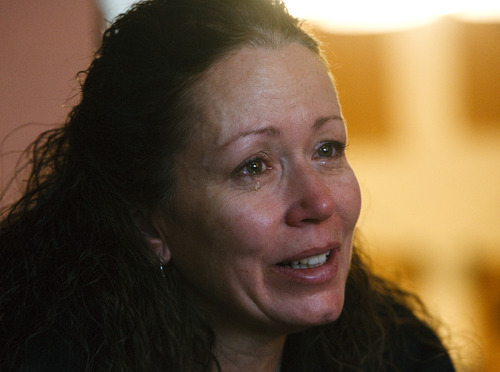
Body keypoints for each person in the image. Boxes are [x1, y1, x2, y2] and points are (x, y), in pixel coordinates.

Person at [0, 0, 455, 370]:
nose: (318, 201)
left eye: (327, 149)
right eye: (254, 167)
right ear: (148, 225)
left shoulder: (405, 354)